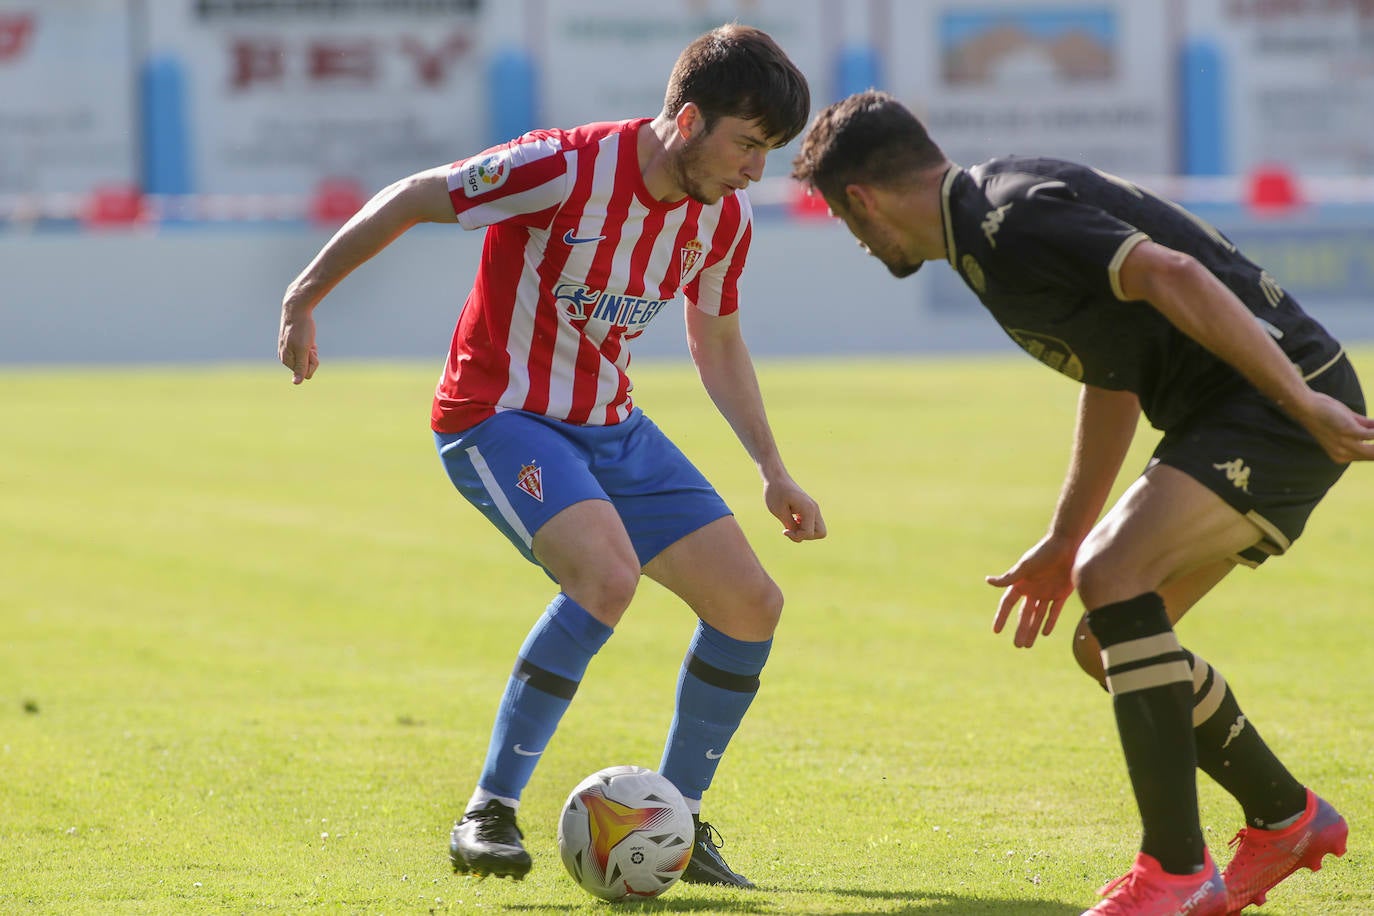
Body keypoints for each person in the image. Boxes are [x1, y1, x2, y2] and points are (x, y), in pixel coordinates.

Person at [792, 89, 1373, 916]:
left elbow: (1174, 273)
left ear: (863, 198)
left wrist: (1298, 398)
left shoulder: (1007, 217)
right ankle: (1287, 818)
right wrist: (1065, 540)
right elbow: (1113, 373)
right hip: (1245, 408)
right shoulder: (982, 235)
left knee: (1118, 573)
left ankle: (1173, 873)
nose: (860, 243)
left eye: (852, 227)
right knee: (1108, 642)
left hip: (1277, 404)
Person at [278, 24, 824, 887]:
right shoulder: (560, 167)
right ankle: (487, 809)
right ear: (687, 120)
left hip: (612, 427)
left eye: (768, 152)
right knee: (605, 577)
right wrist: (305, 295)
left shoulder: (721, 220)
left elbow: (716, 337)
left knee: (752, 604)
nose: (756, 169)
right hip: (498, 416)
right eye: (747, 145)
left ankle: (674, 823)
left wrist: (772, 467)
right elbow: (418, 195)